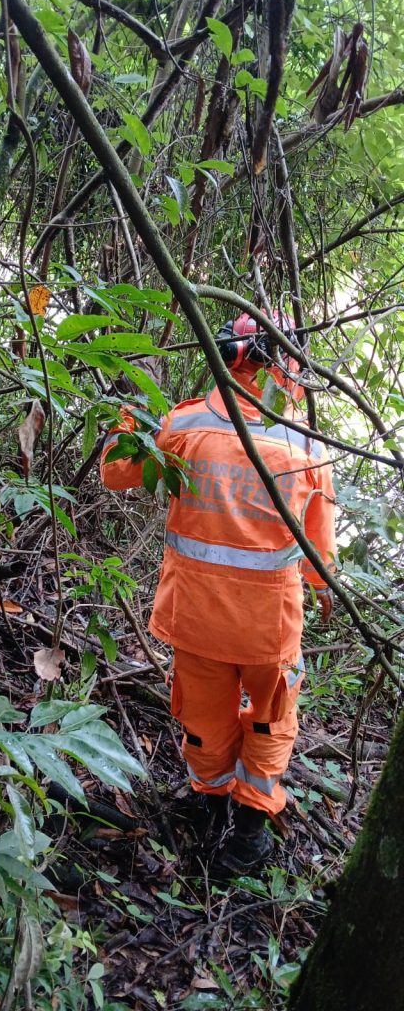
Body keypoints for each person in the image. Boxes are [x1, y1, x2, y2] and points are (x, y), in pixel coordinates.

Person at [100, 311, 337, 872]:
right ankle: (248, 833)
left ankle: (206, 807)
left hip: (196, 620)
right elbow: (319, 559)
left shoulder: (185, 427)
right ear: (291, 366)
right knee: (270, 720)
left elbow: (116, 473)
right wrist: (323, 591)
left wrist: (123, 419)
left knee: (205, 718)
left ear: (226, 354)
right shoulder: (307, 445)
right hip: (269, 630)